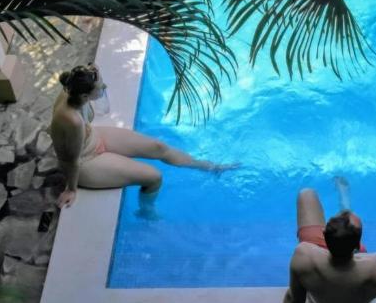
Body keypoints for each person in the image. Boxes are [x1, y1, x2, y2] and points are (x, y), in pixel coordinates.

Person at [50, 64, 239, 209]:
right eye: (100, 88)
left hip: (94, 139)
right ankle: (147, 212)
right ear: (84, 96)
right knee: (154, 177)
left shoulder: (74, 87)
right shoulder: (72, 120)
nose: (104, 87)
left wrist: (96, 78)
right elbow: (72, 160)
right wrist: (71, 190)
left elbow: (92, 81)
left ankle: (208, 166)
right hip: (86, 161)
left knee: (159, 148)